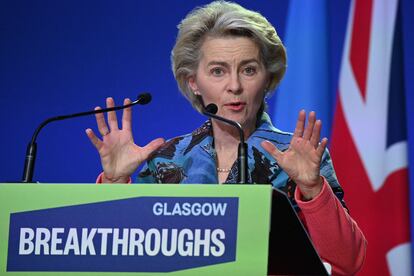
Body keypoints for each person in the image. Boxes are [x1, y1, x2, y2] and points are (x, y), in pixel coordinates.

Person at [85, 1, 366, 274]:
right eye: (218, 71)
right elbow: (122, 256)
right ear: (193, 81)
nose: (234, 86)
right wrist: (114, 183)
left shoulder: (299, 157)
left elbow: (347, 263)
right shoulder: (166, 160)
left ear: (267, 78)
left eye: (248, 70)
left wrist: (313, 188)